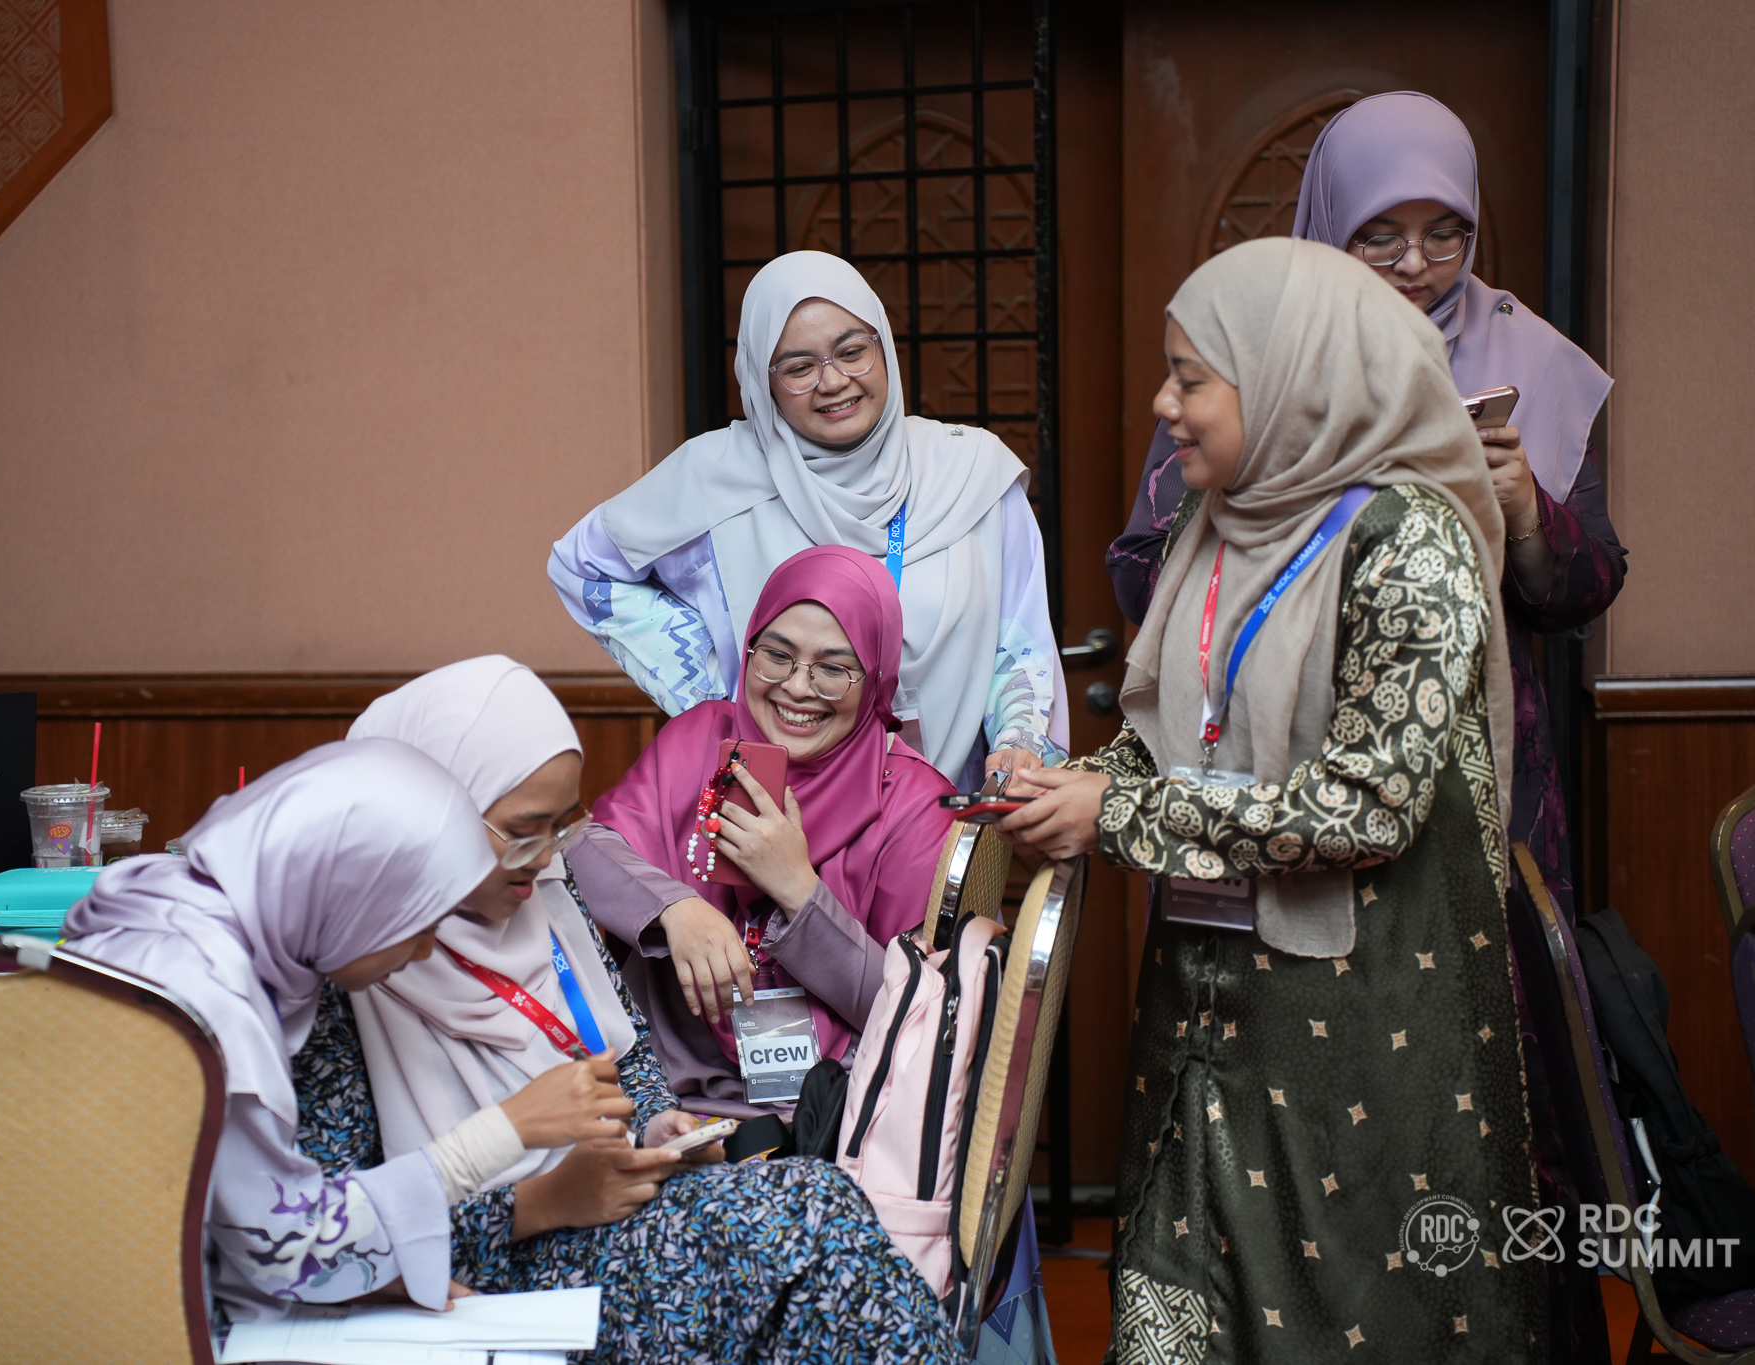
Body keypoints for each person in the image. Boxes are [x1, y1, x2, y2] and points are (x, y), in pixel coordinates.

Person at [1005, 238, 1544, 1360]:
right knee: (1178, 1293)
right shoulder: (1220, 520)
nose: (1164, 405)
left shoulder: (1411, 541)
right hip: (1203, 1007)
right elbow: (1182, 735)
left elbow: (1368, 804)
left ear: (1292, 375)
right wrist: (1087, 782)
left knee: (1355, 1316)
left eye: (1190, 378)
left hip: (1361, 1025)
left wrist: (1120, 816)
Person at [322, 654, 960, 1362]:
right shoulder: (351, 967)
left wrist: (658, 1124)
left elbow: (623, 1052)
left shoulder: (544, 889)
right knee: (810, 1229)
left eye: (562, 828)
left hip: (613, 1201)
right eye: (524, 831)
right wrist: (544, 1201)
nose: (547, 857)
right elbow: (325, 1242)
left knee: (818, 1199)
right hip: (500, 1261)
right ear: (434, 815)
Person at [1107, 91, 1625, 908]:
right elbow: (1145, 576)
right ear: (1330, 223)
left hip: (1477, 753)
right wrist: (1269, 505)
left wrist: (1525, 511)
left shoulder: (1533, 360)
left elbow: (1590, 589)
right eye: (1379, 235)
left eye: (1445, 233)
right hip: (1276, 753)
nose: (1415, 264)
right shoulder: (1255, 359)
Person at [62, 740, 628, 1322]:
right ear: (350, 897)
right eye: (419, 924)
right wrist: (499, 1135)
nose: (425, 951)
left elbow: (229, 1222)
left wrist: (362, 1274)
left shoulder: (172, 908)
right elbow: (287, 1247)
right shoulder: (211, 996)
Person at [549, 248, 1066, 790]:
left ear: (883, 346)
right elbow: (584, 567)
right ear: (762, 380)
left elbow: (1020, 641)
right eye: (799, 367)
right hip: (773, 811)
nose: (834, 381)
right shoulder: (714, 478)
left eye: (852, 351)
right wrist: (720, 697)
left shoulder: (972, 475)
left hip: (939, 810)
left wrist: (1017, 746)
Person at [571, 545, 957, 1116]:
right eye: (776, 656)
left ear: (876, 678)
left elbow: (909, 1013)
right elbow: (582, 849)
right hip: (666, 1099)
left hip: (834, 1115)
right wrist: (677, 909)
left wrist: (797, 889)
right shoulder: (700, 740)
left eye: (833, 669)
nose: (797, 688)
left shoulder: (915, 803)